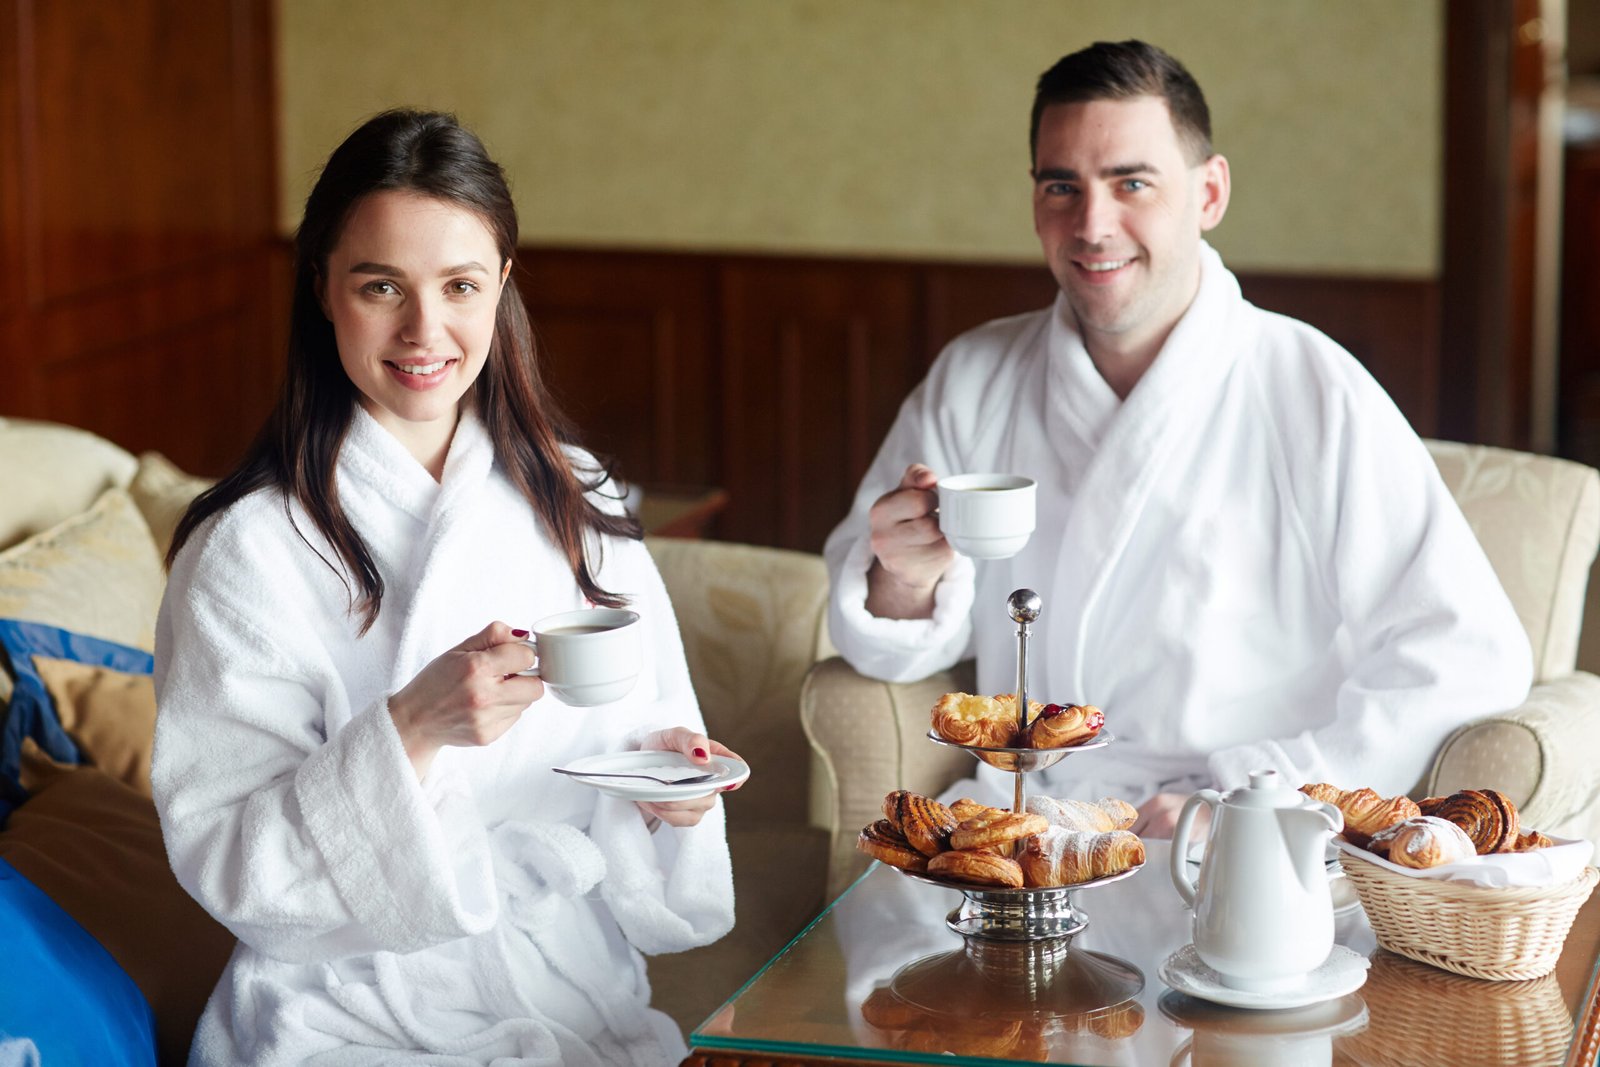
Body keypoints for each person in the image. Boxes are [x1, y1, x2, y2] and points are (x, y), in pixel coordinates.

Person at [823, 40, 1532, 837]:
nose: (1093, 225)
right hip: (1027, 822)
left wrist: (1267, 792)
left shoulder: (1310, 386)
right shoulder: (974, 375)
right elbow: (889, 646)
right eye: (1063, 186)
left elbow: (1466, 652)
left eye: (1133, 182)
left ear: (1209, 192)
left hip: (1231, 833)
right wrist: (905, 579)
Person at [152, 110, 738, 1067]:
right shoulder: (244, 551)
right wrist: (412, 728)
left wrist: (669, 789)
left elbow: (651, 742)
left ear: (502, 286)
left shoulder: (575, 497)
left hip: (570, 993)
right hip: (341, 1012)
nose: (425, 331)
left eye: (460, 286)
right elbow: (233, 864)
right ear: (324, 292)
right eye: (381, 286)